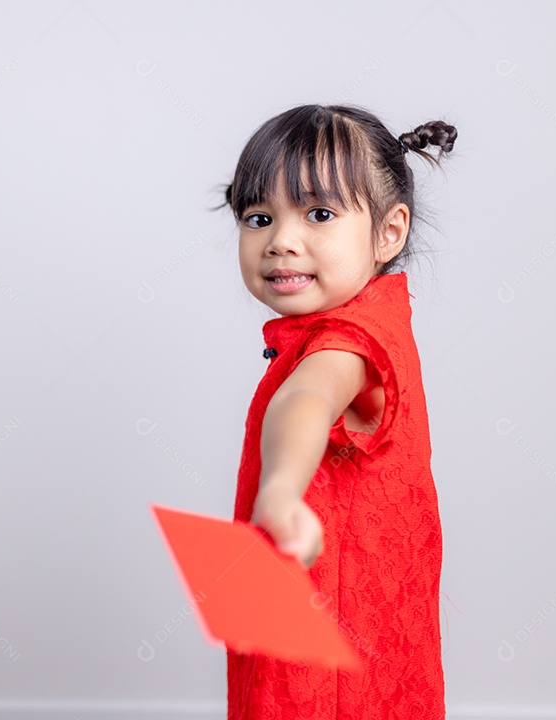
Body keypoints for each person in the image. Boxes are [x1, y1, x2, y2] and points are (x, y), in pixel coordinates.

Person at [215, 104, 457, 719]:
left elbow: (306, 399)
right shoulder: (366, 320)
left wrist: (280, 490)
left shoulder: (348, 341)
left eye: (319, 214)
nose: (281, 240)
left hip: (329, 623)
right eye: (258, 216)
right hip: (332, 604)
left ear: (388, 233)